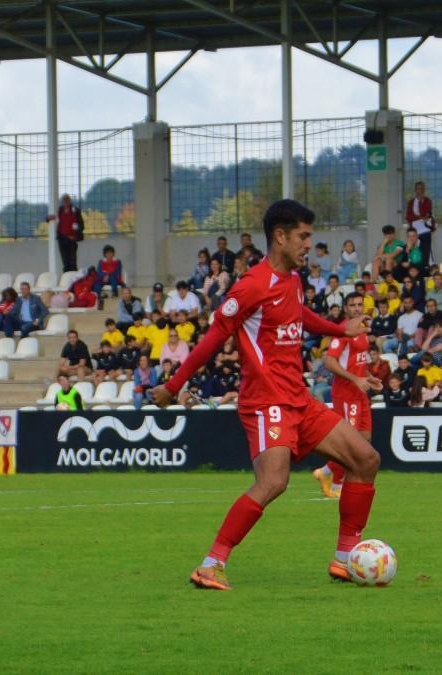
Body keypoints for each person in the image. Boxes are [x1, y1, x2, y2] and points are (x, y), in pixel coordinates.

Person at [148, 199, 379, 590]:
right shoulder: (252, 285)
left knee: (365, 459)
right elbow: (212, 339)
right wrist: (173, 386)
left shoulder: (292, 281)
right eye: (304, 237)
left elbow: (299, 316)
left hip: (298, 399)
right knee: (274, 482)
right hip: (266, 402)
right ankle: (211, 563)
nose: (309, 244)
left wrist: (341, 330)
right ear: (280, 236)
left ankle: (345, 558)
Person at [313, 292, 383, 498]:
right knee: (351, 443)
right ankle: (336, 484)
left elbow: (357, 361)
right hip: (345, 394)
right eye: (352, 305)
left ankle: (325, 472)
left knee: (365, 439)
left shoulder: (361, 330)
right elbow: (330, 362)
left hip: (359, 392)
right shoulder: (343, 331)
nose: (357, 308)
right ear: (346, 308)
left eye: (360, 304)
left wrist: (368, 377)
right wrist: (355, 379)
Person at [48, 193, 84, 272]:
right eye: (64, 200)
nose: (65, 202)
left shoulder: (75, 210)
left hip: (72, 239)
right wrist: (51, 217)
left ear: (70, 201)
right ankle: (67, 276)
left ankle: (74, 276)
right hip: (62, 238)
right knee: (65, 262)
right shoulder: (60, 210)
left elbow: (81, 225)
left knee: (72, 262)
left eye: (67, 200)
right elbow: (58, 219)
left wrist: (75, 235)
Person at [405, 181, 435, 268]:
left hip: (425, 231)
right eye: (418, 188)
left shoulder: (427, 201)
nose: (420, 191)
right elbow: (408, 217)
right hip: (414, 231)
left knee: (425, 252)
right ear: (415, 190)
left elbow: (426, 214)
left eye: (422, 188)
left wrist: (421, 203)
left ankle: (425, 268)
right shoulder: (411, 202)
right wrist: (420, 217)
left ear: (424, 190)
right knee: (413, 250)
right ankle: (414, 268)